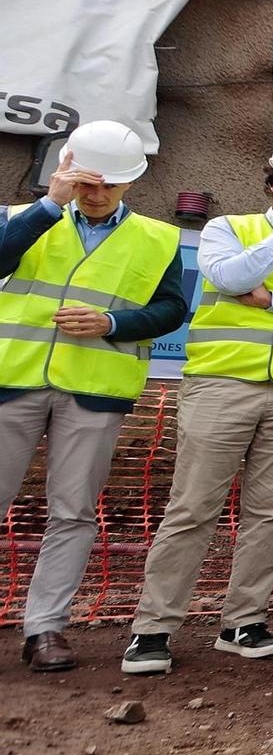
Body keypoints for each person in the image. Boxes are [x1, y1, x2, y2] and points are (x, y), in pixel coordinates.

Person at [124, 133, 273, 675]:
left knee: (270, 513)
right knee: (191, 507)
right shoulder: (226, 228)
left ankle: (243, 622)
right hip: (222, 385)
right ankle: (153, 628)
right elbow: (227, 277)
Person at [0, 122, 185, 672]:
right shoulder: (23, 220)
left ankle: (46, 629)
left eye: (109, 184)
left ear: (131, 183)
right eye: (86, 182)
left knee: (73, 513)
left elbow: (172, 310)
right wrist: (46, 205)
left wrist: (111, 321)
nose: (96, 193)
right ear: (68, 172)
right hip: (14, 380)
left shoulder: (159, 239)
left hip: (95, 392)